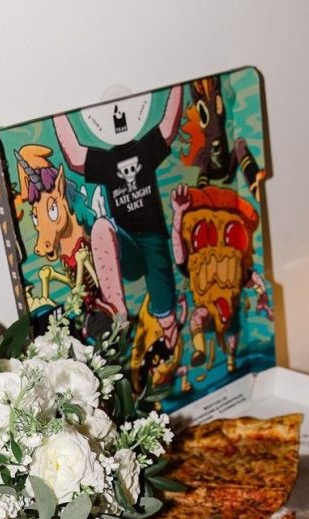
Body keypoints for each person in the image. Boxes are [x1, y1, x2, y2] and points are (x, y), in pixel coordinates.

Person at [54, 85, 183, 353]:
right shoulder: (106, 161)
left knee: (164, 302)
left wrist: (178, 83)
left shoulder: (144, 149)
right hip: (124, 242)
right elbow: (75, 156)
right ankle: (114, 303)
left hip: (153, 240)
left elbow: (169, 128)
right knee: (102, 226)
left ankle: (170, 338)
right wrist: (57, 110)